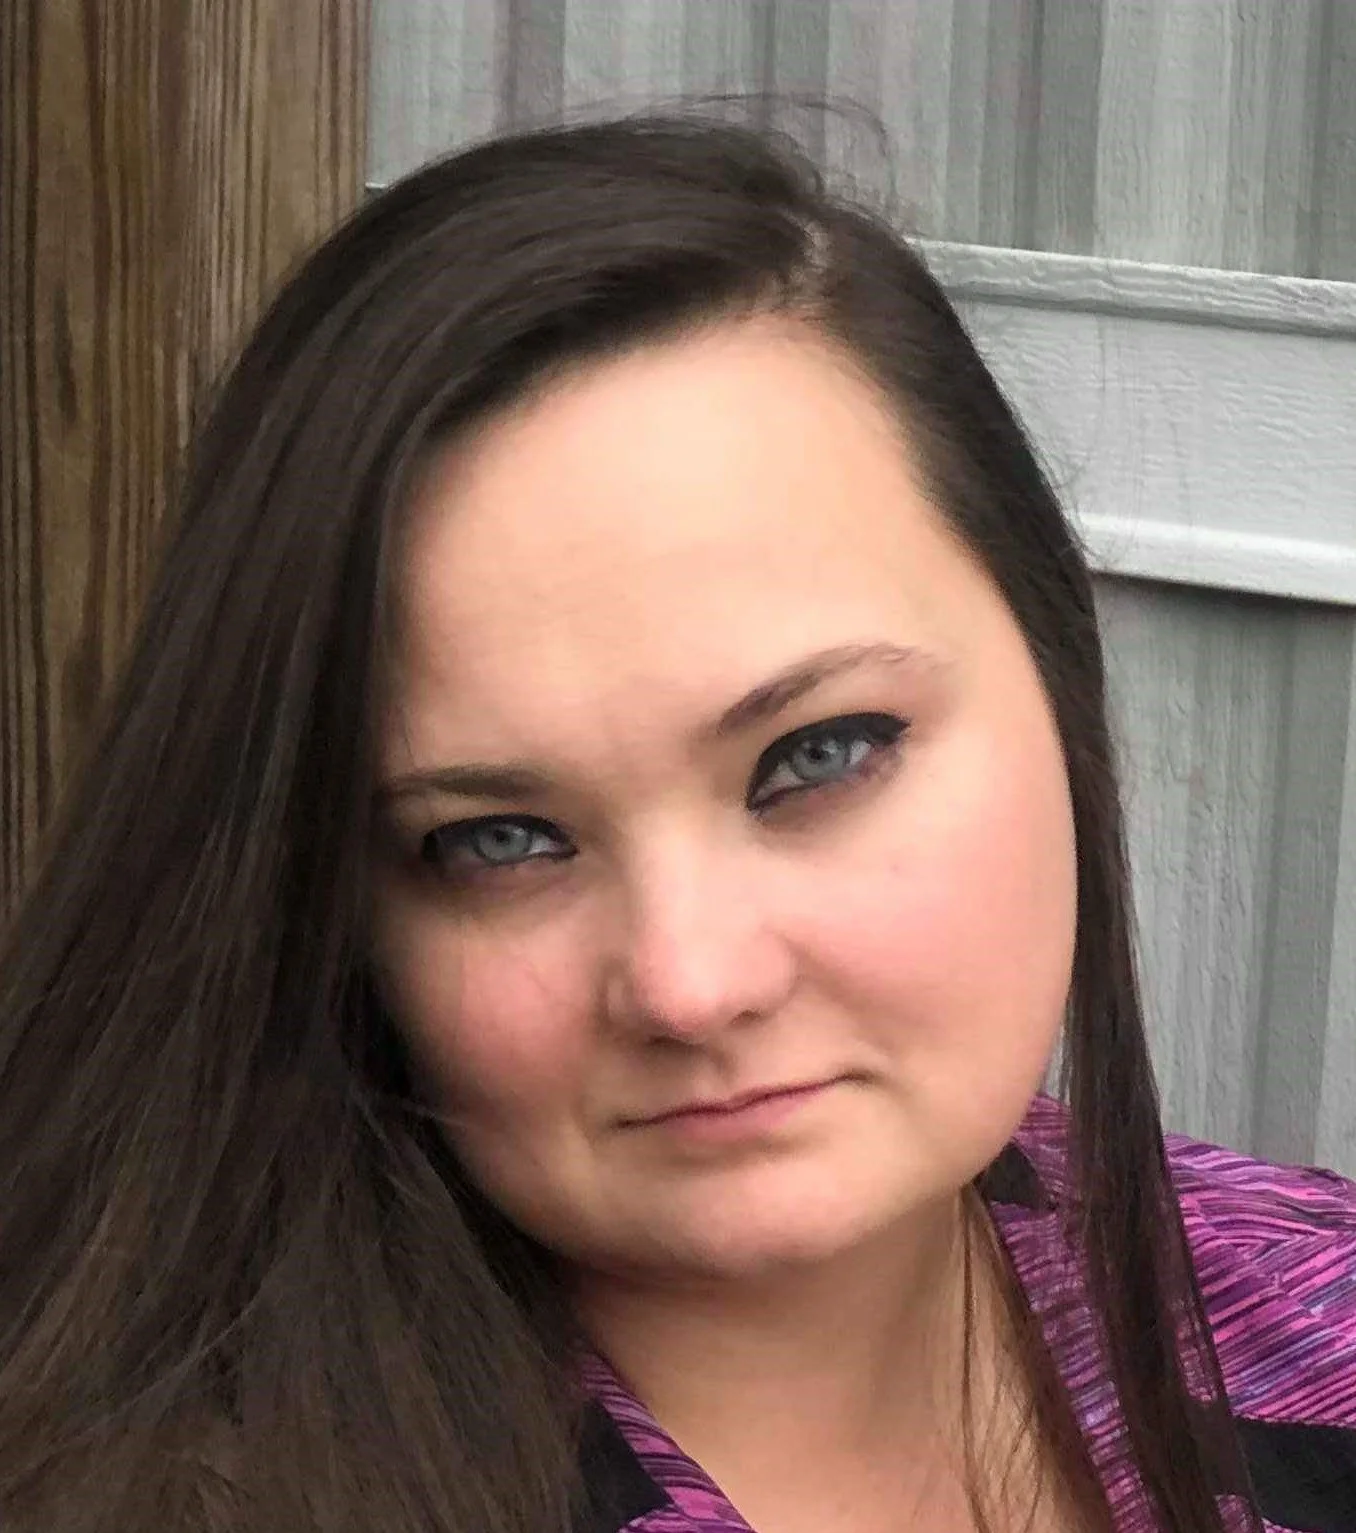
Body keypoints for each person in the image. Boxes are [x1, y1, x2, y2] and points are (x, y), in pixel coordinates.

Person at [0, 114, 1351, 1533]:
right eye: (499, 841)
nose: (692, 984)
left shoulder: (1311, 1318)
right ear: (338, 914)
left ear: (1060, 679)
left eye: (816, 756)